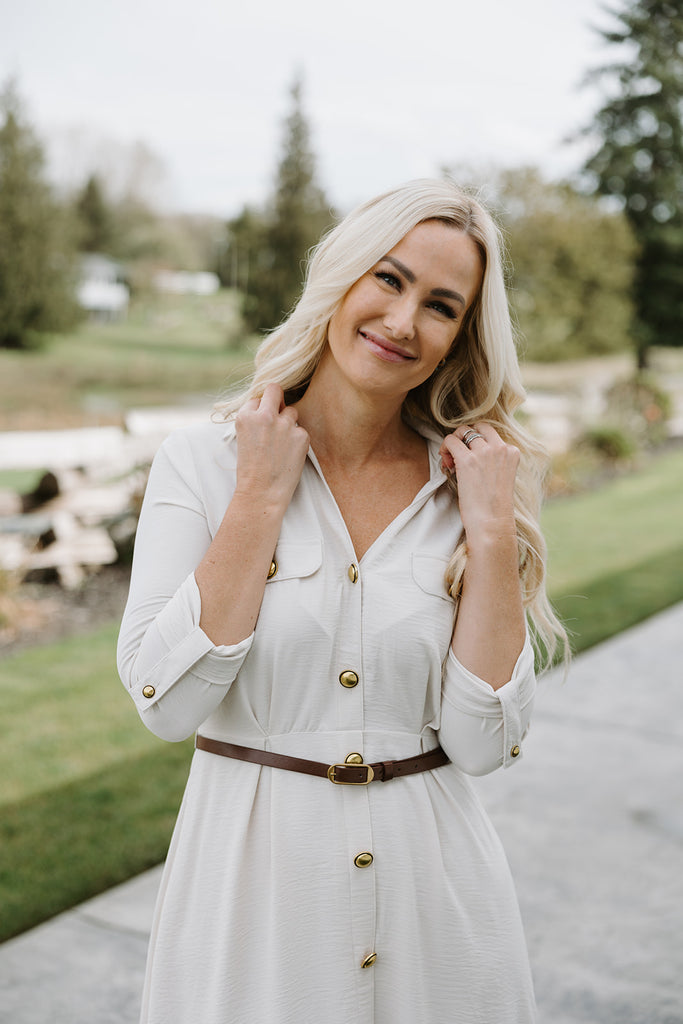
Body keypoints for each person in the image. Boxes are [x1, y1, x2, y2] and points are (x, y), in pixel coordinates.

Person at [117, 178, 567, 1024]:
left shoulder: (468, 486)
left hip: (440, 917)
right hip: (253, 917)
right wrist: (258, 497)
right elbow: (164, 704)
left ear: (459, 338)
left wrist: (490, 530)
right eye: (388, 279)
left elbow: (482, 744)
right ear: (342, 276)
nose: (403, 321)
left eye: (440, 306)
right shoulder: (203, 463)